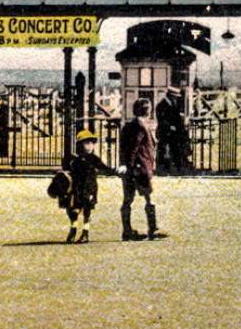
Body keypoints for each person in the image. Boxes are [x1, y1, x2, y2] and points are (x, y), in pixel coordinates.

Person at [118, 98, 160, 240]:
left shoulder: (127, 126)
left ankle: (127, 230)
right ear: (148, 111)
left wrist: (124, 165)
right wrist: (131, 165)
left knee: (128, 199)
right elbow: (134, 148)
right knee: (150, 197)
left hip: (131, 168)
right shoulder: (142, 125)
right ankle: (152, 229)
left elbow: (125, 148)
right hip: (141, 168)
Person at [58, 128, 110, 242]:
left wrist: (116, 171)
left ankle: (85, 232)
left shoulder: (93, 158)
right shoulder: (74, 158)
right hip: (76, 188)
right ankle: (73, 230)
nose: (90, 146)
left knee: (87, 210)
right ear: (80, 145)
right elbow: (67, 171)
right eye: (87, 143)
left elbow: (105, 168)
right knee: (74, 210)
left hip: (89, 188)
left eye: (92, 143)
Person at [156, 89, 192, 174]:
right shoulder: (161, 105)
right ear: (170, 96)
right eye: (175, 97)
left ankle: (176, 170)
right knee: (165, 152)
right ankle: (164, 171)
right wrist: (169, 126)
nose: (176, 99)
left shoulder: (174, 104)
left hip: (174, 133)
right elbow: (161, 119)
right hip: (165, 132)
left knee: (176, 151)